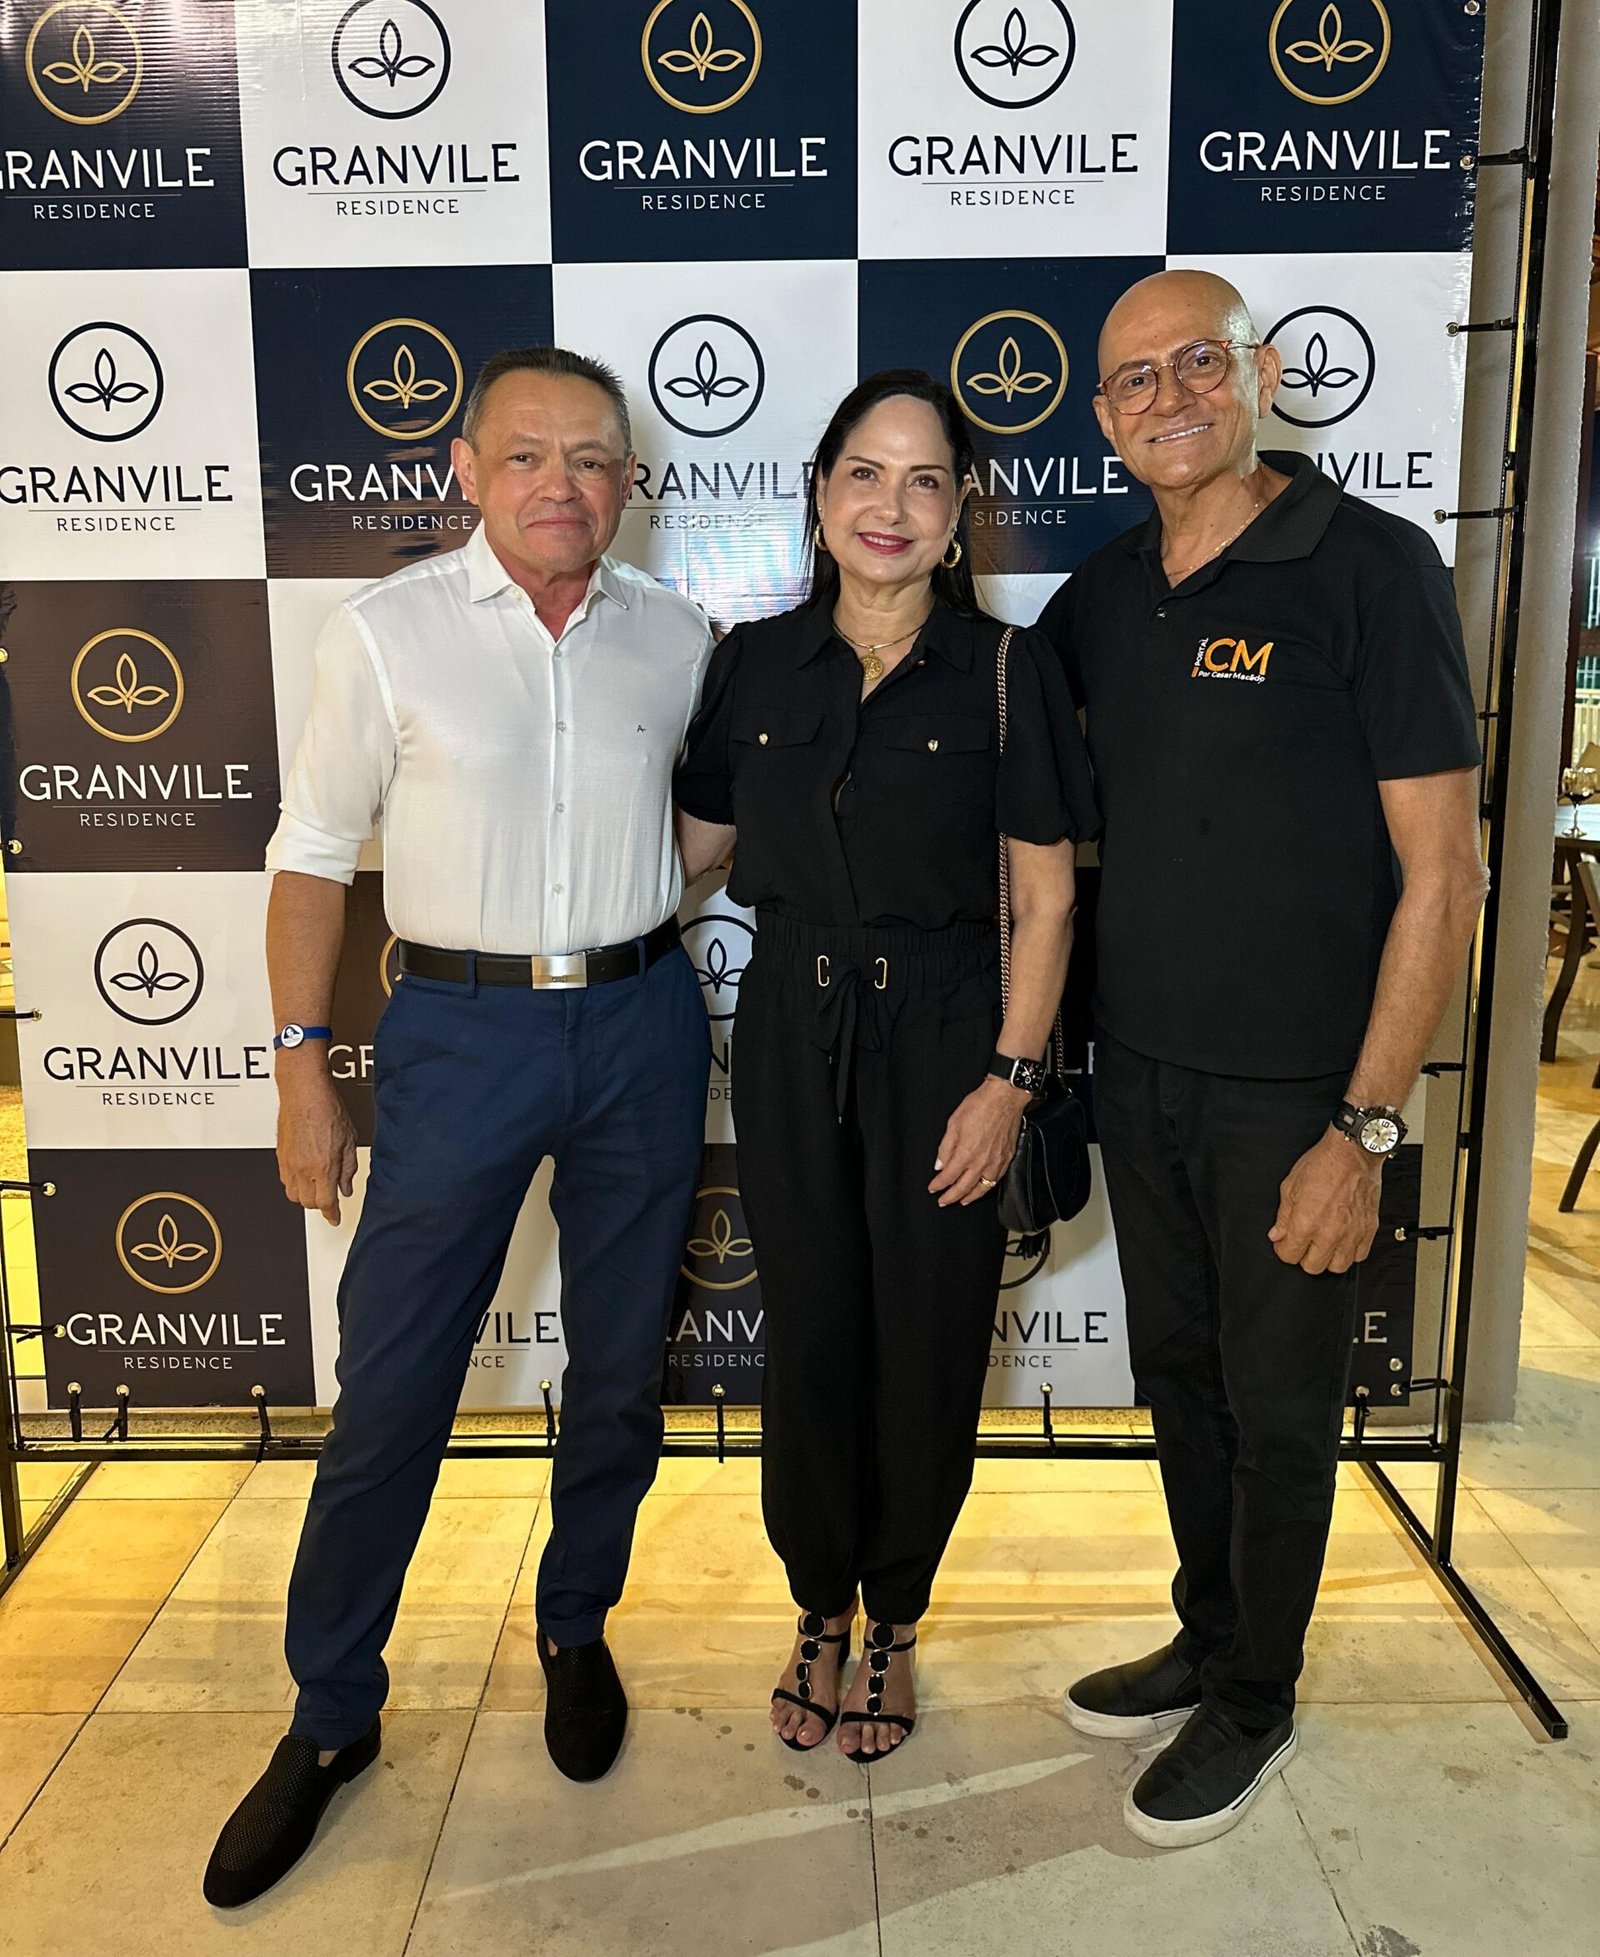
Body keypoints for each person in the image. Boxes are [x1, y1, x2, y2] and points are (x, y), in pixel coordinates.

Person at [204, 347, 713, 1907]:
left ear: (628, 483)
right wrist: (301, 1069)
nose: (564, 483)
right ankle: (330, 1713)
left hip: (641, 1021)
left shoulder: (680, 635)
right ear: (468, 471)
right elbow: (311, 852)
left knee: (617, 1372)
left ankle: (575, 1624)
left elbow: (704, 825)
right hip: (456, 1033)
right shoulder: (387, 630)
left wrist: (635, 898)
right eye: (529, 454)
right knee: (395, 1387)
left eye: (594, 458)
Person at [1037, 271, 1487, 1847]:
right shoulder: (1101, 596)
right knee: (1181, 1378)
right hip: (1138, 1070)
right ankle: (1209, 1628)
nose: (1167, 397)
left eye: (1196, 364)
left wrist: (1365, 1130)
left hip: (1301, 1099)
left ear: (1264, 371)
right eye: (1133, 379)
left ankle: (1257, 1694)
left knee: (1281, 1407)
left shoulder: (1370, 564)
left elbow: (1446, 872)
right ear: (1104, 417)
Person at [675, 370, 1096, 1763]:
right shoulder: (751, 662)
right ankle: (817, 1606)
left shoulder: (1006, 669)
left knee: (924, 1337)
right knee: (810, 1332)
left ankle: (897, 1616)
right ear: (819, 493)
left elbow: (1045, 900)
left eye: (925, 481)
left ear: (960, 511)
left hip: (948, 1033)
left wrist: (1009, 1080)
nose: (891, 506)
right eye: (866, 472)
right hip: (793, 1028)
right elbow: (689, 852)